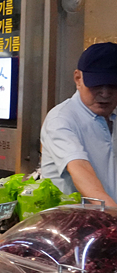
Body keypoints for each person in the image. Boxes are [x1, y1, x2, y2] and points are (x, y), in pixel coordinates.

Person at [41, 43, 117, 207]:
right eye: (96, 85)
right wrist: (113, 215)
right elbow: (79, 168)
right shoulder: (62, 119)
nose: (105, 93)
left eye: (113, 85)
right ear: (78, 79)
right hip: (72, 226)